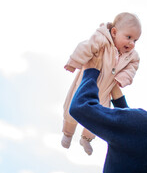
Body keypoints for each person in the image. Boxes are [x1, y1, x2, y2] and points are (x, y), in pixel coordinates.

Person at [61, 12, 142, 155]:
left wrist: (123, 78)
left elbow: (133, 68)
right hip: (85, 84)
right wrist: (74, 61)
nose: (131, 43)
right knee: (71, 110)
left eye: (135, 40)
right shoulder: (101, 40)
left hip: (105, 92)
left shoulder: (132, 56)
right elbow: (86, 47)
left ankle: (86, 139)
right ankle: (68, 134)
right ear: (115, 32)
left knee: (98, 118)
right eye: (128, 37)